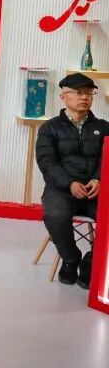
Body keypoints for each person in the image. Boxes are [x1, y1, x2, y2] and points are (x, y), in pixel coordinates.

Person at [36, 72, 108, 289]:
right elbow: (47, 163)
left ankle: (90, 262)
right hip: (62, 188)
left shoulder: (104, 127)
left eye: (89, 93)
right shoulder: (50, 128)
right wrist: (69, 183)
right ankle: (70, 259)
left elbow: (107, 159)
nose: (84, 97)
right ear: (63, 96)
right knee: (55, 215)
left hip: (96, 189)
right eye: (79, 92)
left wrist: (98, 179)